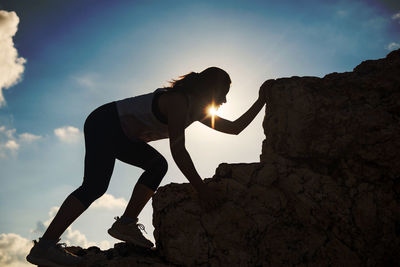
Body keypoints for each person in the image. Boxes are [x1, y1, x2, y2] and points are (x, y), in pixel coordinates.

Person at [26, 67, 266, 266]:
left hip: (122, 135)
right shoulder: (178, 101)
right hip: (105, 122)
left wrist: (261, 100)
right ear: (210, 89)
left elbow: (234, 128)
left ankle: (126, 224)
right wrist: (201, 189)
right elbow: (178, 150)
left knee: (156, 165)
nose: (225, 100)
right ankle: (45, 247)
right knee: (95, 186)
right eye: (223, 93)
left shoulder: (197, 112)